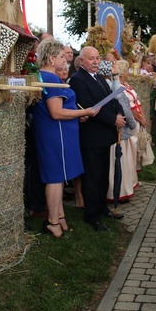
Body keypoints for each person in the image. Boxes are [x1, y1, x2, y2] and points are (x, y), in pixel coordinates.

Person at [33, 39, 97, 237]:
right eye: (62, 56)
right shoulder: (50, 79)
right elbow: (56, 112)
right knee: (54, 178)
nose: (66, 60)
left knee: (58, 177)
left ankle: (60, 217)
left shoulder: (47, 77)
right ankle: (53, 221)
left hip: (59, 133)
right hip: (56, 133)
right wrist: (83, 112)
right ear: (52, 59)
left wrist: (78, 114)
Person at [69, 46, 126, 232]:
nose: (95, 62)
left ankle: (102, 208)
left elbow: (110, 99)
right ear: (82, 61)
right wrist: (113, 119)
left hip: (104, 136)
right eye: (91, 59)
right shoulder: (78, 80)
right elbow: (88, 107)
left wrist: (119, 112)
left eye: (97, 58)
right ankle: (91, 215)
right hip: (91, 137)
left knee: (102, 175)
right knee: (92, 178)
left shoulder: (100, 77)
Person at [107, 60, 139, 203]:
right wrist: (132, 125)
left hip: (114, 129)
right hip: (119, 130)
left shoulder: (110, 85)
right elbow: (124, 107)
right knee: (121, 164)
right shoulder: (117, 88)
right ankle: (120, 192)